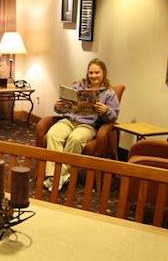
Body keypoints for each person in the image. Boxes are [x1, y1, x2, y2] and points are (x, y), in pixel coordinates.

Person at [44, 58, 120, 191]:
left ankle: (57, 176)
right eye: (91, 73)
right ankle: (55, 176)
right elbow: (62, 109)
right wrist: (58, 106)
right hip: (69, 121)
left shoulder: (109, 94)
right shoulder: (77, 87)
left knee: (75, 139)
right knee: (53, 134)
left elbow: (114, 117)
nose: (94, 76)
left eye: (97, 72)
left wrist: (106, 110)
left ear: (103, 73)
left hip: (88, 125)